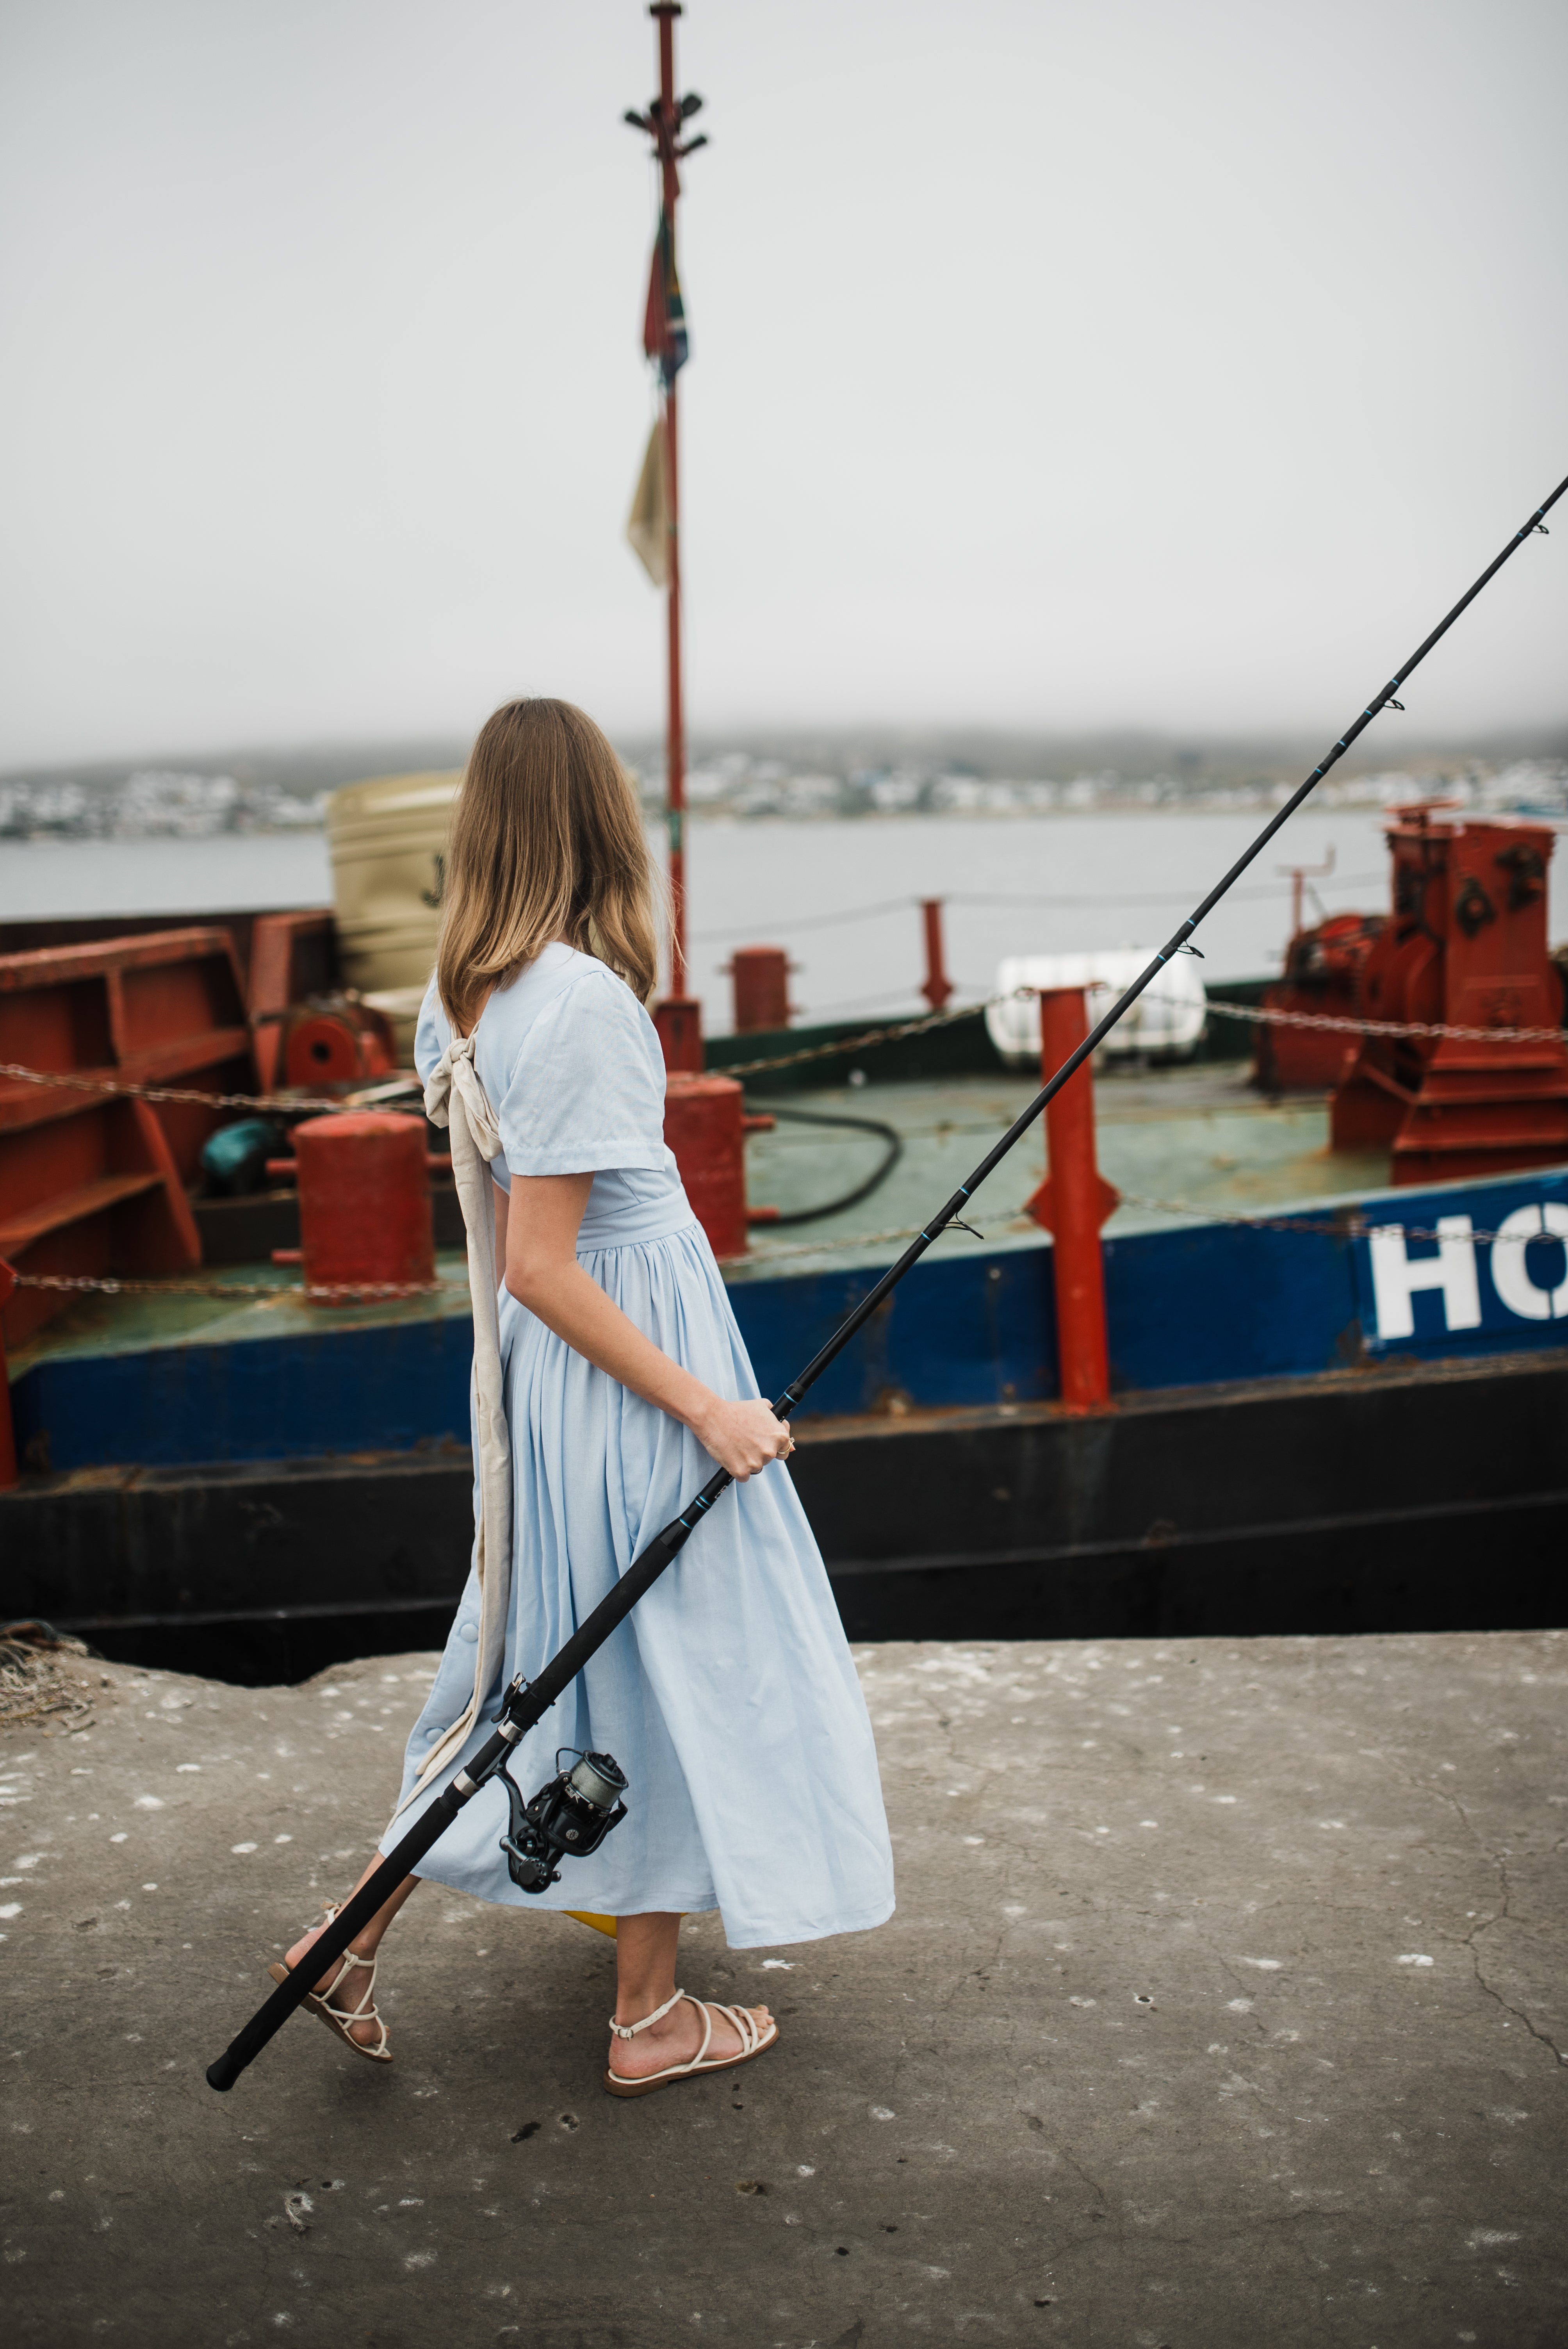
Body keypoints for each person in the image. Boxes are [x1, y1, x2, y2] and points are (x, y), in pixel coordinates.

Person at [273, 697, 894, 2097]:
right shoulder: (586, 1003)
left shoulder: (461, 996)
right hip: (632, 1377)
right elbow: (548, 1264)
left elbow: (518, 1257)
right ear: (602, 823)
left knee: (531, 1667)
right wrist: (707, 1408)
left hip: (558, 1389)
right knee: (672, 1664)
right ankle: (648, 2018)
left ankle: (347, 1944)